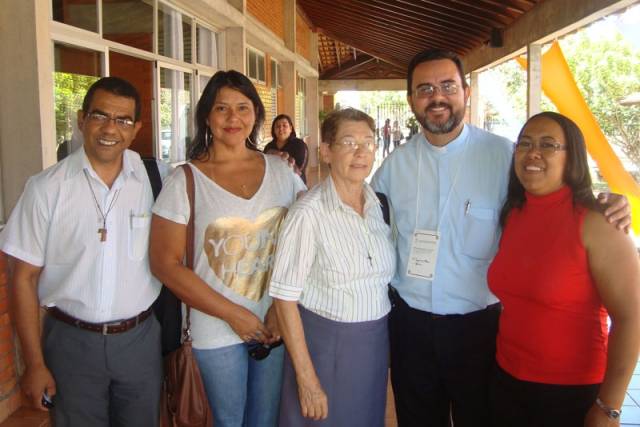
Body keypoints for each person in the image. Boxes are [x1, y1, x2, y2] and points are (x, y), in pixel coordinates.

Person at [371, 48, 631, 427]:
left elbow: (556, 199)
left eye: (447, 86)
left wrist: (606, 202)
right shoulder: (393, 167)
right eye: (424, 89)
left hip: (481, 331)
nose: (437, 97)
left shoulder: (505, 157)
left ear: (466, 92)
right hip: (411, 328)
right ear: (411, 99)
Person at [0, 76, 167, 426]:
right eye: (100, 115)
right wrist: (34, 364)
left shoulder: (156, 180)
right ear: (81, 119)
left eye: (123, 120)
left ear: (136, 128)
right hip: (70, 344)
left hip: (139, 340)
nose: (110, 128)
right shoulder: (46, 188)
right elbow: (24, 279)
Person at [149, 70, 306, 427]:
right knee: (226, 421)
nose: (233, 118)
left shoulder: (282, 173)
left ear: (255, 115)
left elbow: (304, 239)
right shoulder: (184, 179)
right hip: (214, 331)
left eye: (242, 107)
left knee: (264, 421)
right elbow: (165, 263)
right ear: (207, 116)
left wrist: (281, 310)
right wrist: (234, 315)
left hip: (273, 325)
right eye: (222, 108)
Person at [488, 112, 640, 427]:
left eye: (548, 145)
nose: (533, 153)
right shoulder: (513, 213)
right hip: (506, 380)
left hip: (571, 392)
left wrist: (609, 406)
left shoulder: (599, 222)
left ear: (572, 157)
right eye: (525, 144)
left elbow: (631, 318)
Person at [270, 108, 395, 426]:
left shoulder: (377, 206)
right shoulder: (307, 214)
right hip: (325, 349)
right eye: (349, 142)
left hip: (373, 348)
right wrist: (307, 379)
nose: (361, 152)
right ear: (326, 151)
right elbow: (284, 299)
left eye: (369, 142)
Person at [263, 114, 309, 184]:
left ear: (290, 128)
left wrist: (287, 159)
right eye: (277, 126)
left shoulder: (300, 145)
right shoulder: (269, 147)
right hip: (274, 186)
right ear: (274, 130)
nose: (281, 128)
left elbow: (299, 170)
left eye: (284, 126)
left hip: (296, 186)